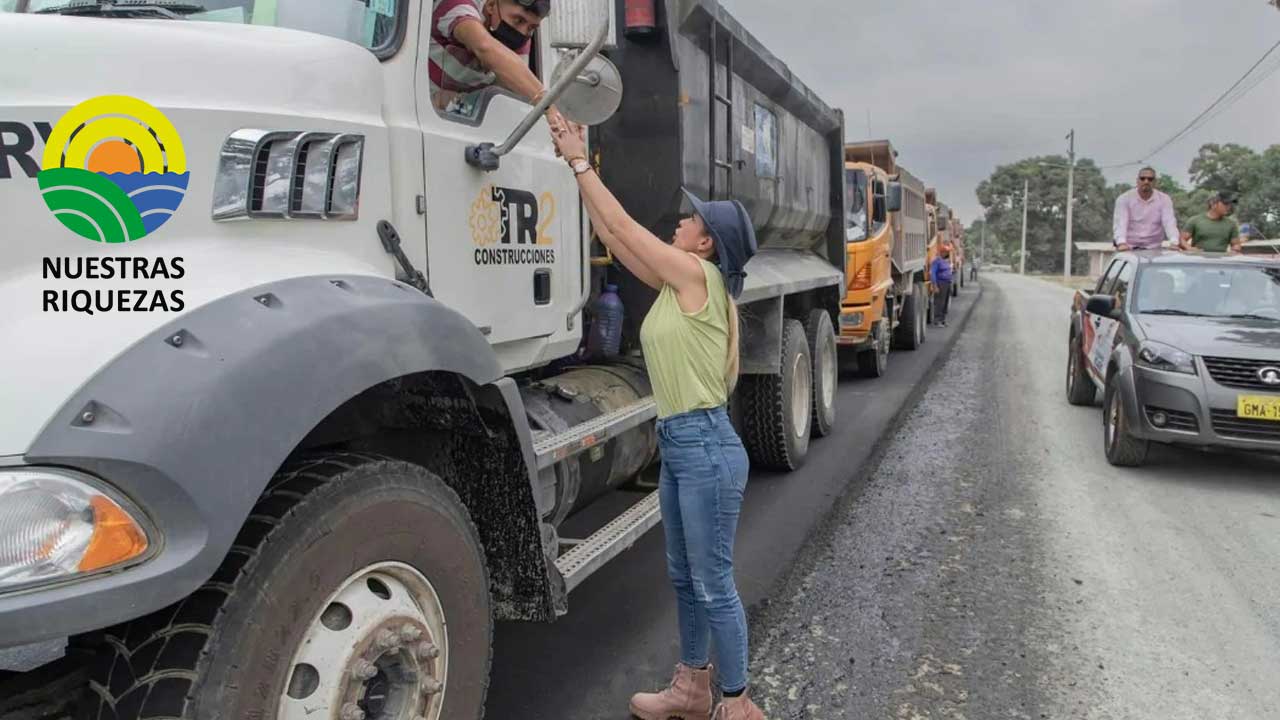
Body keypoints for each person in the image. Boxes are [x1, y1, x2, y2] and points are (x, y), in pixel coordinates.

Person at [548, 117, 765, 720]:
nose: (680, 218)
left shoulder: (698, 276)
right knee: (684, 577)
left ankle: (738, 704)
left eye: (690, 218)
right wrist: (580, 171)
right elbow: (613, 237)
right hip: (679, 443)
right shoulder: (677, 284)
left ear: (705, 244)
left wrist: (578, 163)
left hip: (705, 447)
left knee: (713, 581)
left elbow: (622, 226)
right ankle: (692, 690)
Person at [429, 0, 556, 114]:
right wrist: (548, 108)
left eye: (531, 27)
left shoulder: (520, 39)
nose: (523, 32)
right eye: (518, 20)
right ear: (491, 5)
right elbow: (484, 47)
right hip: (421, 110)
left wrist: (453, 104)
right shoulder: (458, 6)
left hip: (458, 117)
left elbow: (510, 92)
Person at [1113, 167, 1179, 251]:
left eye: (1150, 179)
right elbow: (1121, 223)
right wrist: (1121, 243)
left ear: (1155, 182)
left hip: (1154, 248)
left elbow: (1169, 222)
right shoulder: (1124, 199)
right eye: (1142, 178)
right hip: (1128, 248)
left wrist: (1174, 242)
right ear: (1137, 180)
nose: (1146, 181)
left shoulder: (1164, 199)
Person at [931, 247, 954, 326]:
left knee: (945, 303)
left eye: (948, 252)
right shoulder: (937, 261)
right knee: (940, 302)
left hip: (947, 283)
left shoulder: (946, 261)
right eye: (946, 252)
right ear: (942, 252)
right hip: (941, 284)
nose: (947, 254)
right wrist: (935, 285)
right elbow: (933, 273)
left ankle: (943, 320)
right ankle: (937, 321)